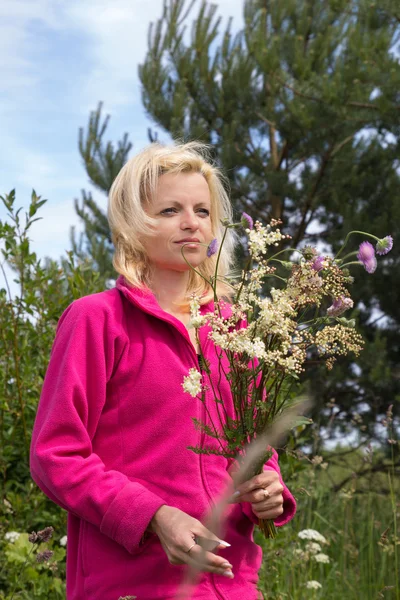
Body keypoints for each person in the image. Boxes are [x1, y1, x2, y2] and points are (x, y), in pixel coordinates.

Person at [30, 141, 296, 600]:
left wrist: (270, 491)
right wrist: (154, 516)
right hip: (130, 584)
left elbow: (254, 445)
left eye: (202, 210)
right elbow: (56, 454)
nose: (191, 223)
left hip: (233, 585)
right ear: (134, 222)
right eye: (170, 210)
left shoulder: (238, 329)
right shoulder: (97, 319)